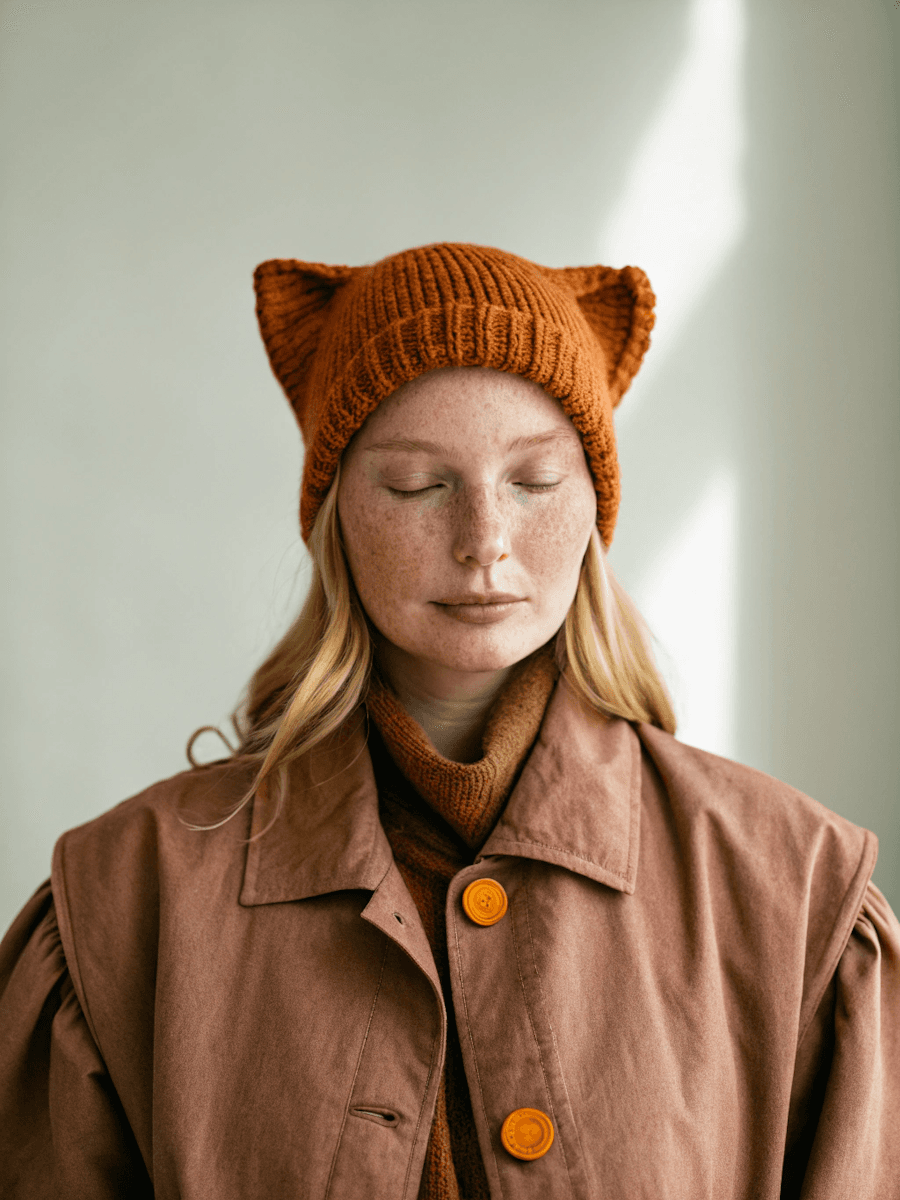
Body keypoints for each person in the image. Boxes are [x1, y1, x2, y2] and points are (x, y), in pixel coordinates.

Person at [0, 242, 897, 1200]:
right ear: (335, 512)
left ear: (595, 505)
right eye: (418, 485)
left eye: (535, 482)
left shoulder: (795, 888)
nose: (484, 542)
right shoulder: (124, 899)